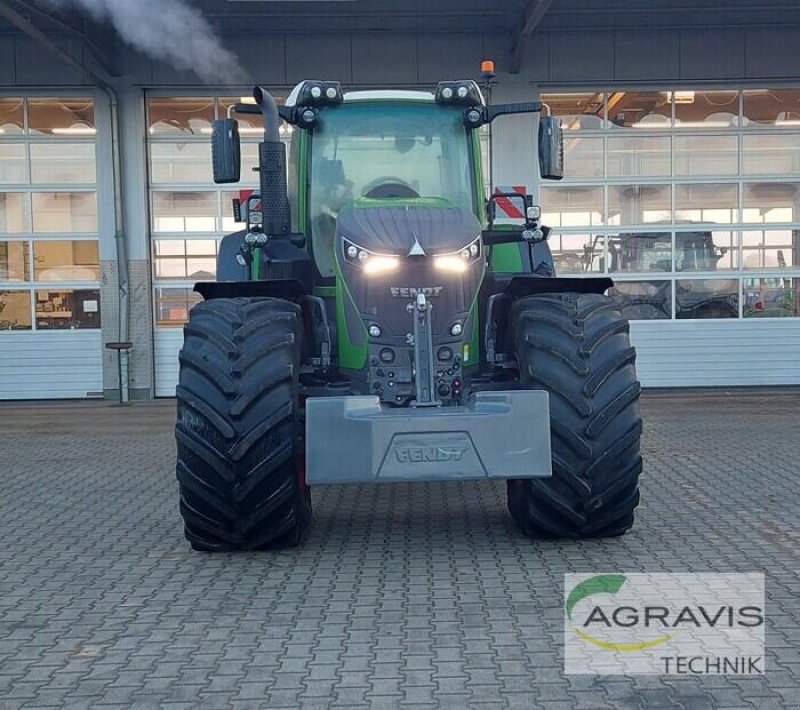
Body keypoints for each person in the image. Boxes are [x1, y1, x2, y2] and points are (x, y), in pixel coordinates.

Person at [312, 159, 353, 277]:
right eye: (330, 189)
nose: (332, 192)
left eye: (336, 189)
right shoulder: (319, 220)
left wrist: (330, 213)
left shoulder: (353, 212)